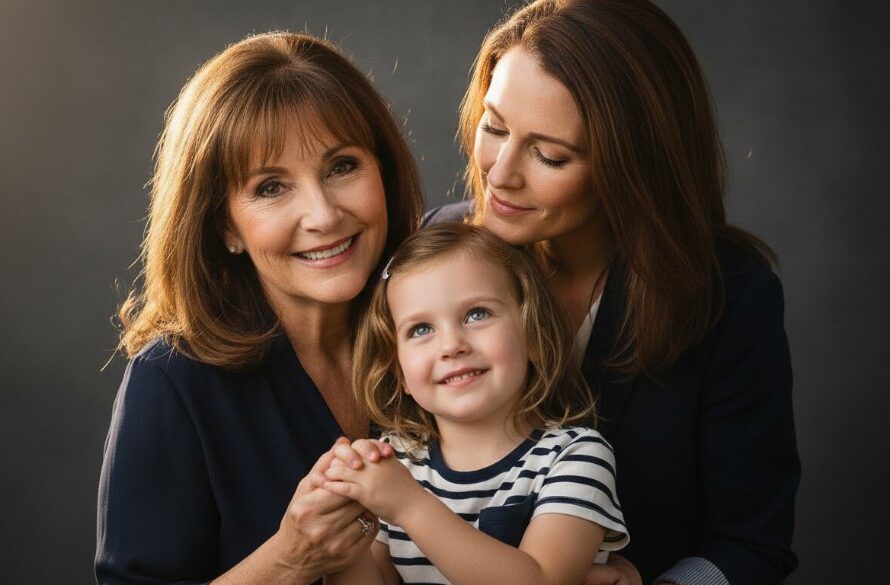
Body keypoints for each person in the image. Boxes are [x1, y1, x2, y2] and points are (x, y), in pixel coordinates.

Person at [424, 1, 800, 584]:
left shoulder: (729, 296)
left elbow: (750, 544)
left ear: (634, 163)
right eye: (494, 127)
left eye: (550, 155)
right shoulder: (437, 246)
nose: (500, 173)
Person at [95, 32, 423, 585]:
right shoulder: (172, 382)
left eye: (342, 166)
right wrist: (289, 559)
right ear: (224, 226)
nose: (321, 214)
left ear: (383, 173)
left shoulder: (438, 331)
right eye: (271, 187)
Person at [319, 223, 629, 585]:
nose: (451, 345)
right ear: (399, 370)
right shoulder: (396, 463)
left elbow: (542, 580)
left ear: (532, 334)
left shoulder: (575, 458)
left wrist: (410, 506)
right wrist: (340, 540)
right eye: (421, 329)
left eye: (477, 314)